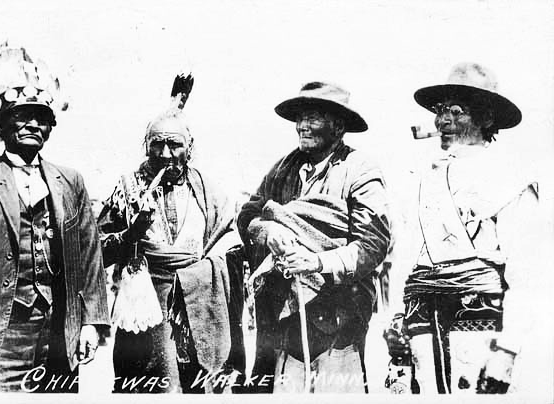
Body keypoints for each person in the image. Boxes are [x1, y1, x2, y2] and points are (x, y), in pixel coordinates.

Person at [0, 44, 110, 393]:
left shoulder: (69, 181)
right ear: (1, 124)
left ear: (50, 127)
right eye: (21, 115)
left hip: (61, 335)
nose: (32, 124)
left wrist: (91, 322)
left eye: (42, 117)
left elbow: (90, 257)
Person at [383, 62, 550, 394]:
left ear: (486, 118)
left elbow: (526, 273)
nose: (443, 120)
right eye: (440, 110)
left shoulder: (509, 178)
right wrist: (397, 317)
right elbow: (406, 256)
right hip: (421, 329)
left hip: (480, 329)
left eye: (456, 111)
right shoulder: (421, 178)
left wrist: (507, 349)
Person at [237, 81, 391, 393]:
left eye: (313, 118)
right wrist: (267, 230)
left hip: (338, 312)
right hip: (284, 312)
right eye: (300, 118)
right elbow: (246, 215)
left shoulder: (360, 170)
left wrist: (317, 261)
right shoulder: (283, 168)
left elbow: (372, 244)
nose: (302, 127)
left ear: (338, 126)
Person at [97, 74, 244, 394]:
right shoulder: (126, 190)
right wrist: (131, 234)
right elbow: (96, 252)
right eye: (156, 144)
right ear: (145, 147)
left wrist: (205, 271)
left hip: (199, 312)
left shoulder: (212, 195)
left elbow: (232, 251)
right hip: (145, 313)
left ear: (190, 148)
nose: (165, 154)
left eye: (174, 144)